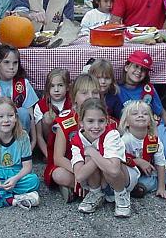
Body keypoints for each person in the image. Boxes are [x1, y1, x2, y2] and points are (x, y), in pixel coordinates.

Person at [118, 50, 166, 166]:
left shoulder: (148, 89)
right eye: (136, 66)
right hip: (131, 129)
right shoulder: (116, 91)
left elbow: (161, 112)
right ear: (127, 67)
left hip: (153, 126)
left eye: (143, 69)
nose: (139, 71)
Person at [71, 98, 138, 217]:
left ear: (107, 121)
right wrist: (93, 157)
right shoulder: (77, 140)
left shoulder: (111, 135)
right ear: (81, 122)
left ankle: (121, 195)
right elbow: (79, 176)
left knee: (105, 162)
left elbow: (114, 170)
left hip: (123, 179)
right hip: (101, 181)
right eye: (90, 121)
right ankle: (96, 193)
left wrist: (93, 152)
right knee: (89, 159)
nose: (96, 126)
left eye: (101, 121)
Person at [44, 73, 101, 203]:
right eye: (84, 93)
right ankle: (84, 189)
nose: (90, 97)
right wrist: (79, 173)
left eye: (95, 93)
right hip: (71, 166)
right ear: (74, 97)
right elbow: (58, 158)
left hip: (96, 165)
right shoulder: (66, 120)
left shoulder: (104, 119)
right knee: (59, 174)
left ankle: (85, 190)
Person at [0, 44, 38, 147]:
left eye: (15, 63)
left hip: (19, 131)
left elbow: (30, 116)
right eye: (6, 62)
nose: (11, 67)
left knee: (23, 112)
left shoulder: (23, 85)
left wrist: (33, 141)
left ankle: (21, 146)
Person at [34, 68, 72, 160]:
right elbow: (39, 136)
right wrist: (49, 156)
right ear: (48, 88)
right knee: (47, 117)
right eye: (52, 86)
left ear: (67, 87)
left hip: (69, 141)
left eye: (60, 85)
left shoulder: (73, 102)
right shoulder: (41, 105)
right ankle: (51, 153)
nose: (56, 90)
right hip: (49, 143)